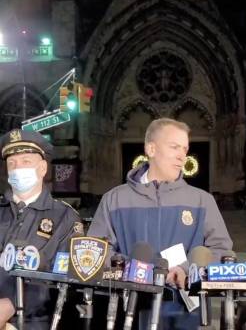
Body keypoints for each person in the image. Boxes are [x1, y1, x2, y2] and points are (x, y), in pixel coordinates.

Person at [88, 118, 233, 329]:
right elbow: (96, 251)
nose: (182, 155)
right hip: (129, 309)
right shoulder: (114, 199)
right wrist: (133, 269)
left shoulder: (202, 201)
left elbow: (222, 252)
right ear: (151, 149)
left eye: (185, 149)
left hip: (184, 311)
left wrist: (187, 270)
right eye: (174, 147)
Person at [0, 129, 83, 330]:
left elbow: (69, 280)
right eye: (12, 163)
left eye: (26, 161)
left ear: (43, 168)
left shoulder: (65, 218)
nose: (17, 168)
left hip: (35, 322)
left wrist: (12, 303)